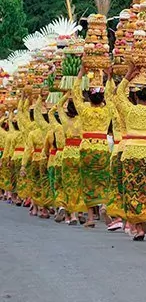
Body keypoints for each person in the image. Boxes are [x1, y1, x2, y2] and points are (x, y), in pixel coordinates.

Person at [114, 65, 146, 241]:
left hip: (131, 154)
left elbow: (118, 94)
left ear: (135, 96)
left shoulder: (129, 110)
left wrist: (128, 75)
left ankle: (140, 229)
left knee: (133, 190)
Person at [72, 67, 114, 228]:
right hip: (103, 148)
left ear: (89, 97)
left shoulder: (84, 109)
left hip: (87, 148)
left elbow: (75, 94)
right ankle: (104, 206)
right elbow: (111, 96)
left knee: (88, 181)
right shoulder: (107, 110)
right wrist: (109, 77)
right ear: (102, 98)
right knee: (103, 179)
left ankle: (90, 218)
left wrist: (81, 72)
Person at [104, 76, 128, 232]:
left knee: (117, 185)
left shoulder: (118, 110)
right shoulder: (142, 109)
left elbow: (108, 97)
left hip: (120, 149)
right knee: (131, 187)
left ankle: (119, 217)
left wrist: (110, 78)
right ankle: (131, 223)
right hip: (140, 148)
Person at [57, 91, 85, 225]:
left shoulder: (65, 120)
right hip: (79, 152)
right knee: (79, 184)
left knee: (68, 183)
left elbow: (57, 106)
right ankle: (79, 212)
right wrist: (77, 96)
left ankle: (72, 214)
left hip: (67, 153)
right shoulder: (82, 119)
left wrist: (66, 95)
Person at [23, 99, 51, 218]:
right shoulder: (52, 129)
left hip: (35, 160)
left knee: (35, 184)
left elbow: (28, 150)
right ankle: (45, 209)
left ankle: (35, 208)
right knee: (46, 183)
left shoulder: (32, 133)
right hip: (47, 158)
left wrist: (24, 165)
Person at [46, 106, 67, 223]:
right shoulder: (76, 124)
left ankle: (60, 206)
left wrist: (57, 105)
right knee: (72, 184)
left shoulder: (54, 130)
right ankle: (74, 214)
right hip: (72, 155)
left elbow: (50, 113)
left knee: (57, 185)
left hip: (55, 159)